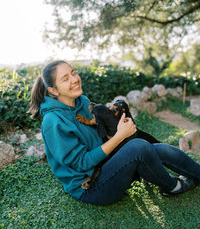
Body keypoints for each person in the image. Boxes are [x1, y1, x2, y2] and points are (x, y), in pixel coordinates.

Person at [29, 60, 200, 206]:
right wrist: (120, 136)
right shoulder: (53, 122)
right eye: (65, 78)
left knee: (155, 148)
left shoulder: (82, 101)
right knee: (138, 147)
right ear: (54, 90)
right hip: (92, 186)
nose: (75, 79)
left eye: (73, 73)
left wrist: (116, 127)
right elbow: (82, 163)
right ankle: (172, 186)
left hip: (107, 164)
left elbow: (100, 134)